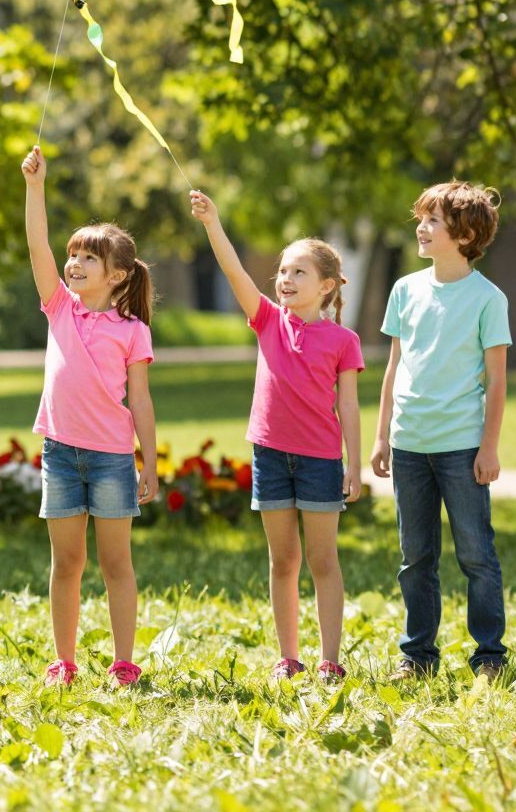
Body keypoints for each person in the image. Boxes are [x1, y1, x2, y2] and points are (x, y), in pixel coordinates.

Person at [190, 190, 364, 683]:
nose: (285, 279)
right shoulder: (266, 319)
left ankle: (331, 660)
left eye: (298, 272)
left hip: (320, 461)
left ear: (327, 285)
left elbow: (347, 404)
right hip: (270, 456)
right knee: (283, 560)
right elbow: (233, 271)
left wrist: (352, 464)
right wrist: (212, 223)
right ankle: (289, 658)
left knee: (322, 560)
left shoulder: (343, 340)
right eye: (283, 271)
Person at [20, 146, 156, 689]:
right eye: (72, 255)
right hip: (60, 453)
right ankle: (65, 662)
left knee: (115, 564)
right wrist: (35, 189)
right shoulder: (59, 305)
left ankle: (124, 663)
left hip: (112, 460)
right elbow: (36, 245)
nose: (72, 264)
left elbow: (141, 401)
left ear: (118, 275)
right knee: (67, 563)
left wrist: (148, 462)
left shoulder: (132, 331)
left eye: (87, 259)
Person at [369, 181, 511, 682]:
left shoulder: (487, 298)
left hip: (462, 447)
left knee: (476, 555)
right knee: (416, 558)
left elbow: (497, 381)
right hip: (410, 445)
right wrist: (382, 435)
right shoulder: (405, 289)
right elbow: (393, 368)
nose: (421, 229)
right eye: (421, 219)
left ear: (465, 233)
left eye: (433, 220)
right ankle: (418, 657)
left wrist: (488, 447)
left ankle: (489, 655)